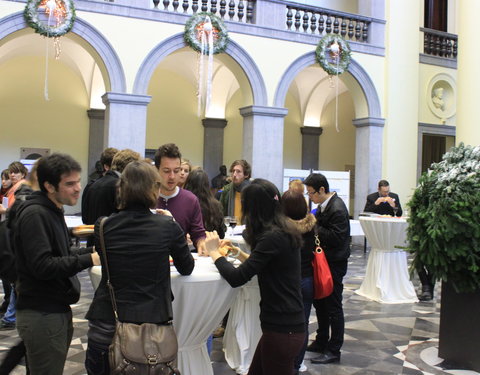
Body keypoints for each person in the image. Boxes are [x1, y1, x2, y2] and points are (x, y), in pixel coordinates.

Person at [85, 160, 194, 375]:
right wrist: (172, 224)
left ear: (121, 189)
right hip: (152, 329)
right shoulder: (167, 226)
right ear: (154, 189)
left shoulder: (103, 225)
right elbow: (186, 267)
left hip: (108, 323)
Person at [204, 178, 305, 375]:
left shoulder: (271, 237)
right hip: (284, 327)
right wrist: (236, 253)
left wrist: (214, 252)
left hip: (283, 330)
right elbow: (262, 265)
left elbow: (236, 278)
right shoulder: (282, 230)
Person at [13, 153, 100, 375]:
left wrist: (92, 251)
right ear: (49, 186)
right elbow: (43, 266)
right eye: (70, 184)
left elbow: (59, 252)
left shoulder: (52, 210)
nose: (78, 188)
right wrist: (88, 259)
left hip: (52, 310)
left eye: (78, 181)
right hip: (41, 313)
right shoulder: (36, 214)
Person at [304, 173, 350, 365]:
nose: (310, 198)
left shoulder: (337, 208)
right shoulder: (324, 206)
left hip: (334, 264)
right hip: (324, 262)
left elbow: (337, 238)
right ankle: (321, 340)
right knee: (320, 303)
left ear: (322, 190)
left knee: (333, 306)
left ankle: (333, 349)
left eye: (312, 193)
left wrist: (313, 225)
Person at [281, 190, 316, 374]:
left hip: (290, 281)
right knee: (303, 325)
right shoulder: (311, 226)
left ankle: (287, 364)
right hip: (308, 279)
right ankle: (297, 364)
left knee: (285, 327)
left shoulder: (284, 231)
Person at [154, 143, 206, 254]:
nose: (172, 176)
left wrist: (203, 244)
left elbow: (199, 235)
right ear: (156, 170)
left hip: (180, 262)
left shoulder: (190, 200)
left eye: (176, 171)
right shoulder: (147, 197)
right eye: (167, 171)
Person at [82, 149, 140, 226]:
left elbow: (85, 218)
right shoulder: (122, 187)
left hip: (92, 235)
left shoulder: (91, 185)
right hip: (114, 236)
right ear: (131, 169)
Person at [184, 168, 226, 239]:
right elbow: (221, 234)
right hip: (211, 245)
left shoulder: (183, 204)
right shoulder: (216, 205)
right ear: (207, 185)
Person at [81, 147, 119, 224]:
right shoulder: (118, 185)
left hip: (91, 232)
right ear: (106, 167)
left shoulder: (90, 186)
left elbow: (85, 217)